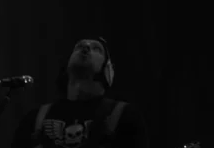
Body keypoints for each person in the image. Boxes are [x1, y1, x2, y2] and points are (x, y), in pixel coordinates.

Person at [12, 37, 149, 148]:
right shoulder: (35, 118)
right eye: (79, 46)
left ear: (107, 69)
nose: (86, 48)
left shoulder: (125, 116)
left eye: (97, 49)